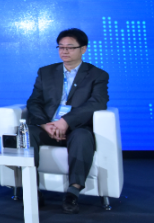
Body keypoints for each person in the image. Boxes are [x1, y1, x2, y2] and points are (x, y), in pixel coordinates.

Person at [26, 28, 108, 213]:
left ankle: (73, 193)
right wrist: (44, 124)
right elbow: (34, 101)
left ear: (83, 49)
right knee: (27, 133)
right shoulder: (46, 72)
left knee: (82, 137)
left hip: (76, 127)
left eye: (70, 47)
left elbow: (98, 102)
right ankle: (32, 190)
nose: (64, 51)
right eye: (61, 47)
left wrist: (66, 121)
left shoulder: (97, 75)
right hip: (48, 126)